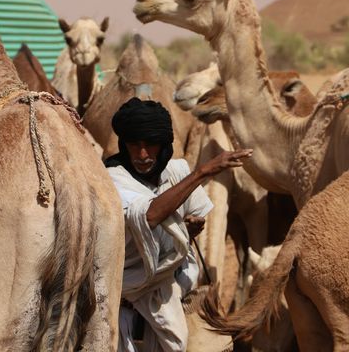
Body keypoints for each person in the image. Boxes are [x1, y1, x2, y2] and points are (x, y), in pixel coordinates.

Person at [105, 97, 252, 352]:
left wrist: (185, 229)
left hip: (171, 300)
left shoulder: (175, 172)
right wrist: (203, 172)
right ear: (123, 144)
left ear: (163, 145)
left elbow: (189, 219)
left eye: (150, 145)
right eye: (134, 145)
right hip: (124, 308)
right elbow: (149, 215)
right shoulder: (112, 178)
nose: (142, 155)